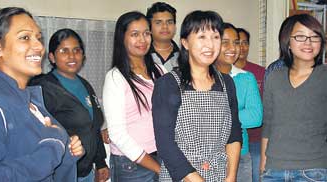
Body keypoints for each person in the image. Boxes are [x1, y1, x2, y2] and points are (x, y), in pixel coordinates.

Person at [0, 7, 84, 181]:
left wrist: (67, 152)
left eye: (39, 38)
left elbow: (40, 161)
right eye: (25, 37)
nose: (39, 46)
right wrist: (53, 145)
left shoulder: (30, 99)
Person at [153, 10, 242, 182]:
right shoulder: (168, 84)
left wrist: (231, 177)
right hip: (180, 175)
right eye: (202, 37)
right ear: (185, 42)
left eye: (216, 37)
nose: (210, 44)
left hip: (220, 173)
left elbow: (234, 134)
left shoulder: (226, 83)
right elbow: (165, 145)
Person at [29, 28, 109, 182]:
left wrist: (100, 163)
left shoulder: (85, 85)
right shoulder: (43, 88)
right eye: (64, 51)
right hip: (60, 174)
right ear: (52, 57)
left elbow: (93, 128)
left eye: (76, 50)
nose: (72, 56)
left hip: (86, 173)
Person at [261, 14, 327, 181]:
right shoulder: (274, 77)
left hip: (314, 171)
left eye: (314, 37)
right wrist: (263, 166)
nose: (308, 42)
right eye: (300, 36)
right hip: (274, 170)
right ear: (287, 42)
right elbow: (268, 125)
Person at [102, 11, 165, 182]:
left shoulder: (160, 71)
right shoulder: (115, 77)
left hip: (162, 155)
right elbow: (118, 135)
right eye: (135, 34)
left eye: (146, 33)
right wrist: (156, 167)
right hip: (131, 165)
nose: (143, 40)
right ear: (122, 38)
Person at [215, 23, 263, 182]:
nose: (233, 47)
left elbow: (255, 117)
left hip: (241, 156)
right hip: (208, 157)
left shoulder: (246, 77)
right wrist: (236, 116)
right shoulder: (201, 76)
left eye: (236, 42)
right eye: (225, 42)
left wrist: (216, 118)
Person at [234, 27, 265, 182]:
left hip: (258, 137)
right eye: (237, 42)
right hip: (237, 140)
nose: (241, 47)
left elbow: (259, 112)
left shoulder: (259, 72)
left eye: (245, 42)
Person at [146, 2, 179, 71]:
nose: (165, 26)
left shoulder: (185, 56)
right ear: (149, 28)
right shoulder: (141, 55)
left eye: (169, 22)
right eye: (158, 23)